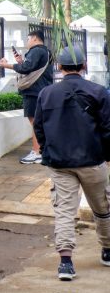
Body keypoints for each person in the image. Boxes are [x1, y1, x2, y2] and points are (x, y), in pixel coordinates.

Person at [33, 46, 110, 280]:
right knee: (103, 209)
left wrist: (47, 152)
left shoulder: (46, 93)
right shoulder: (99, 91)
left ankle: (65, 263)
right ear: (84, 65)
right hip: (92, 161)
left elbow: (39, 127)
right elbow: (107, 128)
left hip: (59, 163)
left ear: (59, 67)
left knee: (64, 211)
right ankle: (107, 251)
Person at [0, 29, 54, 164]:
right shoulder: (46, 51)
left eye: (28, 39)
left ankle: (36, 152)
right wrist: (21, 61)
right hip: (41, 90)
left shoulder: (36, 51)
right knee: (39, 122)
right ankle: (41, 150)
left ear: (35, 39)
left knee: (35, 122)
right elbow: (30, 67)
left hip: (34, 91)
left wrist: (7, 65)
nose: (27, 42)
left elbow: (26, 69)